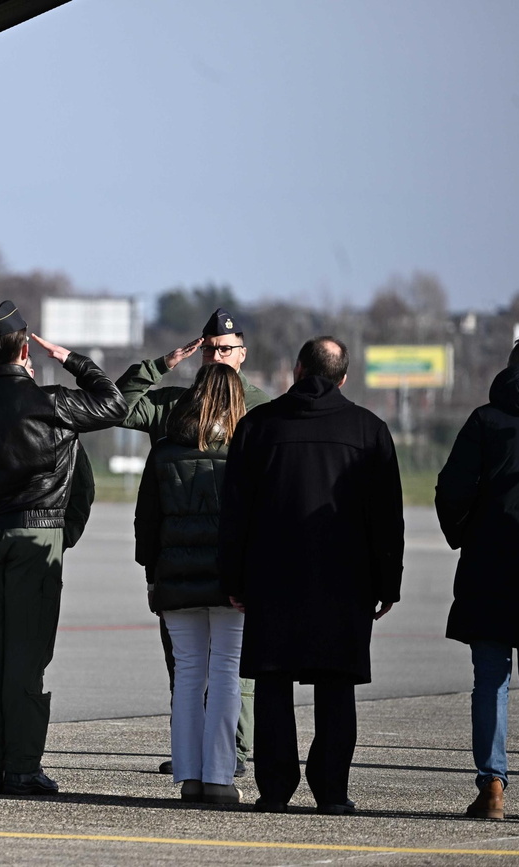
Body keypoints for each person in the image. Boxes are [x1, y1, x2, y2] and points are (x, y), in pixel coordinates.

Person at [0, 300, 127, 796]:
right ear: (23, 348)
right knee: (27, 656)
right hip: (37, 533)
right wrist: (71, 359)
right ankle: (21, 766)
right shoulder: (51, 402)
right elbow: (115, 402)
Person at [220, 336, 403, 814]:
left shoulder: (258, 426)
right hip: (346, 580)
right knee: (336, 686)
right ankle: (332, 792)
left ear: (297, 370)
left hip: (272, 577)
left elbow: (234, 512)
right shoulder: (369, 430)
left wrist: (233, 578)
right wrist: (389, 583)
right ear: (343, 377)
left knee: (273, 685)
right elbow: (387, 517)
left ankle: (275, 790)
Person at [116, 307, 268, 777]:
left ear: (243, 353)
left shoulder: (261, 408)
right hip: (185, 559)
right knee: (187, 666)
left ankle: (235, 751)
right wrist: (160, 363)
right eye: (208, 350)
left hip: (214, 560)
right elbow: (119, 403)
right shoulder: (176, 404)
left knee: (231, 669)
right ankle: (199, 751)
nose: (217, 357)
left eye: (225, 349)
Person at [437, 334, 519, 821]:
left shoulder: (484, 419)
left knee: (491, 681)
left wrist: (466, 536)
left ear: (508, 368)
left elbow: (451, 489)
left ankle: (493, 787)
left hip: (489, 568)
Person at [135, 364, 247, 805]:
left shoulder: (163, 451)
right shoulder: (244, 450)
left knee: (187, 675)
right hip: (230, 581)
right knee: (225, 673)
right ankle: (220, 775)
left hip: (175, 578)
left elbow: (146, 521)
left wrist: (152, 574)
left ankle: (189, 776)